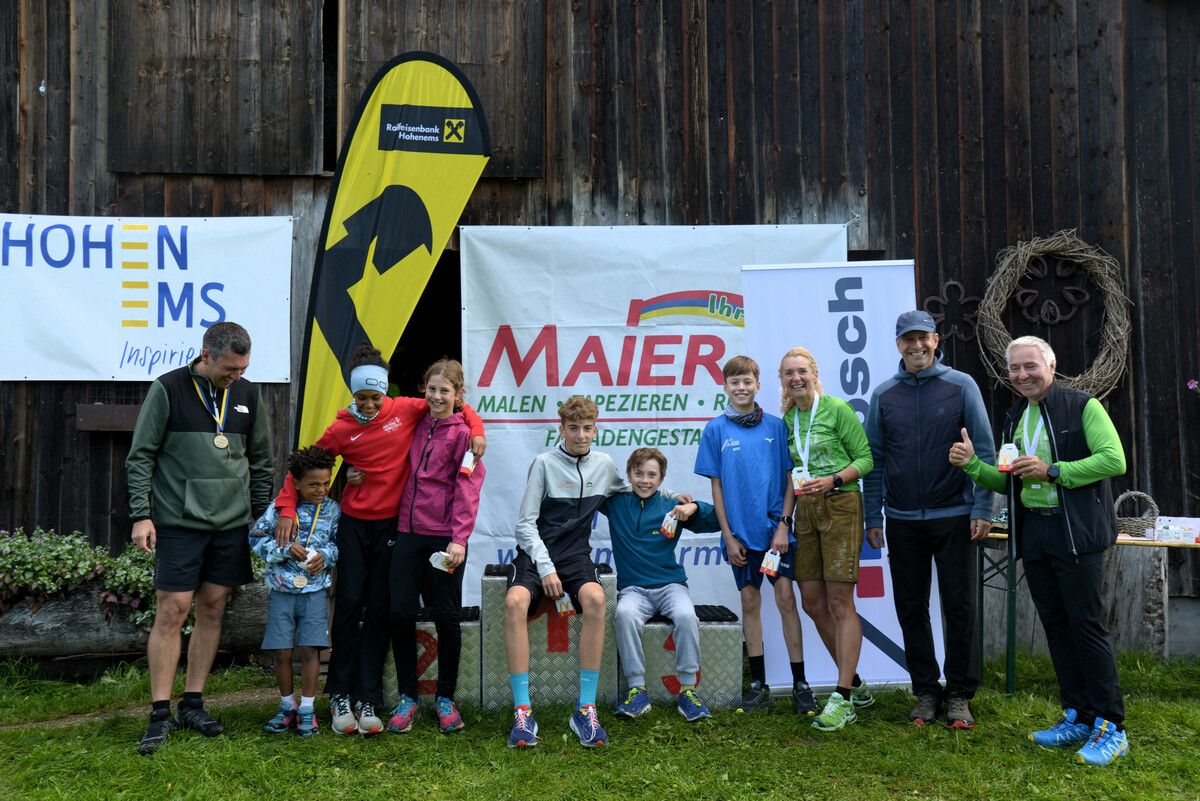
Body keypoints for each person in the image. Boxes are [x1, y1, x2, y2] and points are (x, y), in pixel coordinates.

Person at [271, 342, 485, 736]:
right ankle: (340, 694)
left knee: (383, 609)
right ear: (352, 394)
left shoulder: (407, 409)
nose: (369, 405)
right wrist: (287, 507)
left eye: (375, 396)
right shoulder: (342, 428)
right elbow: (304, 465)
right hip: (359, 525)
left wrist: (477, 428)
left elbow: (458, 406)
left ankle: (371, 695)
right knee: (351, 604)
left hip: (394, 528)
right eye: (361, 397)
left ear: (387, 392)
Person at [950, 335, 1129, 766]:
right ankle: (1078, 716)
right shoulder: (1014, 416)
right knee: (1056, 626)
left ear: (1051, 365)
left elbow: (1113, 460)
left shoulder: (1083, 405)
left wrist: (1053, 470)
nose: (1022, 375)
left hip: (1076, 536)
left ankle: (1111, 726)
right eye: (1014, 369)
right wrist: (974, 465)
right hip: (1036, 536)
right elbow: (1008, 481)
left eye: (1030, 366)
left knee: (1086, 627)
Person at [126, 321, 273, 755]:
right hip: (179, 521)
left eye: (243, 368)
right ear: (205, 356)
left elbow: (261, 457)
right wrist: (141, 515)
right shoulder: (168, 389)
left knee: (212, 608)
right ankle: (158, 712)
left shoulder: (248, 394)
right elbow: (141, 456)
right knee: (173, 609)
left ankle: (193, 702)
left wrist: (259, 515)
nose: (237, 376)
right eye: (230, 368)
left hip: (230, 524)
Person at [862, 310, 995, 729]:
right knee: (911, 606)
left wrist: (982, 508)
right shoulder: (883, 395)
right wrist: (873, 515)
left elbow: (985, 452)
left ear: (936, 340)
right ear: (897, 344)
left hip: (955, 515)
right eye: (907, 340)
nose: (916, 346)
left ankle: (959, 693)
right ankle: (925, 690)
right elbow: (876, 461)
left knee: (959, 607)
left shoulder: (961, 386)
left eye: (923, 338)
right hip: (901, 520)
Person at [504, 396, 624, 749]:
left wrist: (668, 497)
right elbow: (524, 526)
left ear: (596, 429)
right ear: (561, 429)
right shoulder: (543, 463)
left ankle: (585, 708)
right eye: (574, 428)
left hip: (575, 557)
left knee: (596, 600)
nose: (581, 435)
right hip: (535, 553)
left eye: (587, 428)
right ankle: (523, 712)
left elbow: (632, 490)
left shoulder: (604, 464)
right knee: (514, 603)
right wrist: (545, 568)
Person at [694, 356, 807, 714]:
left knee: (787, 599)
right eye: (734, 382)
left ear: (758, 385)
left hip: (776, 535)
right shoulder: (715, 430)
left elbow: (792, 479)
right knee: (749, 602)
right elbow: (717, 488)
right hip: (739, 537)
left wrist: (784, 526)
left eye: (747, 382)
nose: (741, 388)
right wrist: (727, 536)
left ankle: (800, 682)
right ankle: (759, 683)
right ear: (724, 387)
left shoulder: (778, 427)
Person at [384, 359, 485, 736]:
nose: (437, 397)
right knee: (400, 611)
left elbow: (468, 489)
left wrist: (459, 538)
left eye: (446, 391)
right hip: (407, 533)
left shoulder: (466, 437)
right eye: (432, 389)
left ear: (459, 395)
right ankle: (408, 697)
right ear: (423, 389)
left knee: (445, 615)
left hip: (445, 539)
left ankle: (446, 698)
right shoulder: (415, 422)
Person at [777, 346, 875, 732]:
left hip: (841, 506)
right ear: (782, 380)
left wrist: (833, 479)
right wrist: (785, 520)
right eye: (788, 373)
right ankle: (855, 682)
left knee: (839, 600)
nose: (796, 377)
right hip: (806, 512)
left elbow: (866, 458)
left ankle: (843, 697)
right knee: (813, 602)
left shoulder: (836, 409)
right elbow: (791, 474)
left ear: (814, 373)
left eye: (802, 370)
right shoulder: (788, 419)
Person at [605, 448, 720, 722]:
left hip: (670, 585)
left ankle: (688, 691)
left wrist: (694, 507)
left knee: (685, 615)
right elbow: (585, 494)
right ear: (629, 474)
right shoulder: (615, 503)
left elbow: (716, 519)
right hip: (633, 589)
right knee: (623, 614)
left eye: (652, 475)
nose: (645, 480)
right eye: (639, 473)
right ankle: (637, 690)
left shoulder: (672, 506)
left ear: (662, 478)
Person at [248, 446, 341, 738]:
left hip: (315, 592)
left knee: (311, 651)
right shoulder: (279, 509)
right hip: (281, 592)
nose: (322, 489)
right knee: (282, 652)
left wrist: (326, 556)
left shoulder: (333, 510)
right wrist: (285, 550)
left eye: (326, 483)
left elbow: (340, 544)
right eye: (313, 484)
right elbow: (255, 538)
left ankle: (307, 710)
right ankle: (287, 706)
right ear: (296, 483)